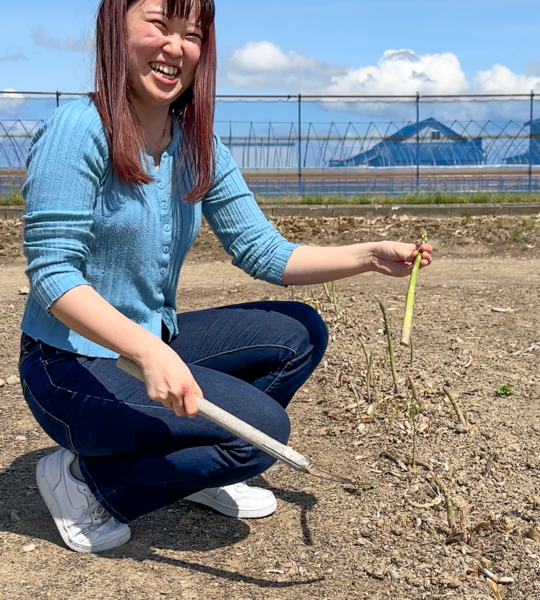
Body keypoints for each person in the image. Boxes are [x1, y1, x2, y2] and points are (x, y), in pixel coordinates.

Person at [18, 0, 433, 555]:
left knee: (298, 332)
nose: (175, 47)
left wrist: (369, 256)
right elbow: (52, 271)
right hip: (67, 366)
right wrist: (145, 350)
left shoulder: (196, 142)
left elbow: (263, 251)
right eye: (159, 25)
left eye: (191, 34)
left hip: (147, 344)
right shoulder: (79, 129)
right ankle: (89, 485)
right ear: (115, 28)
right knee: (259, 436)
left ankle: (190, 469)